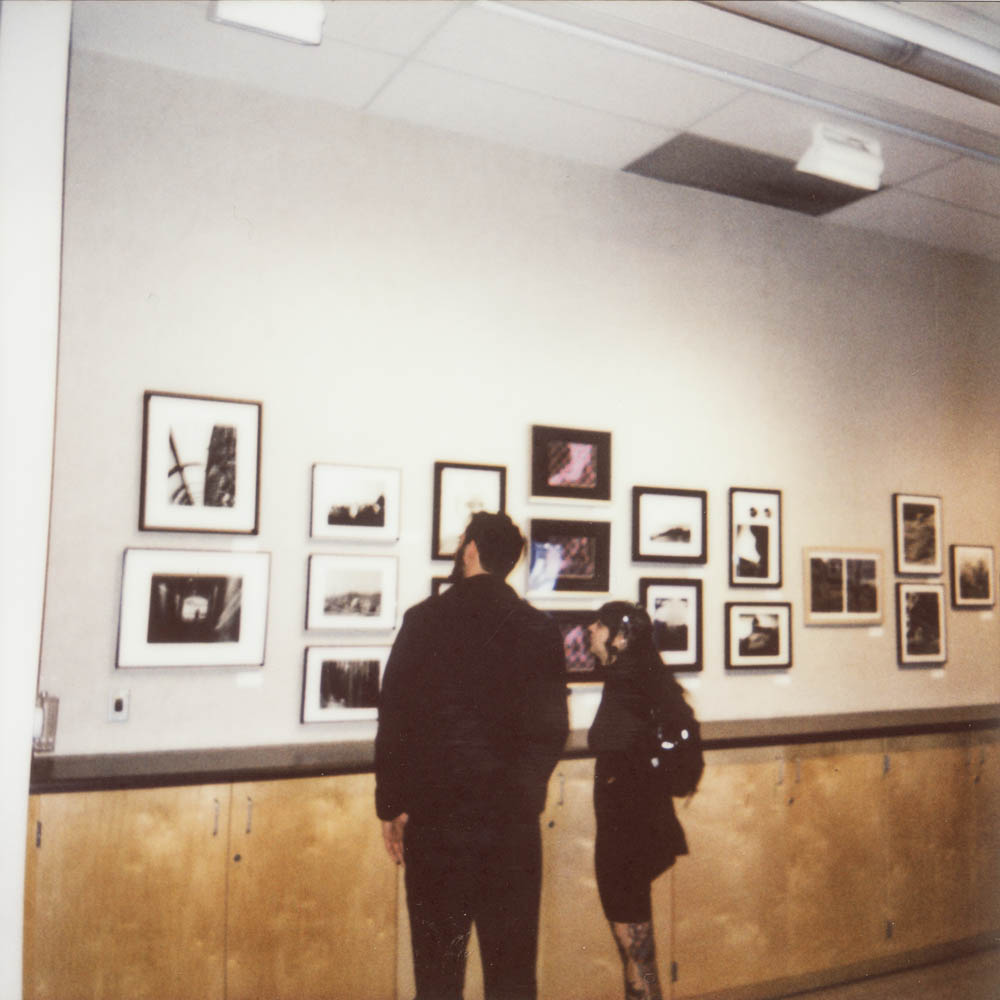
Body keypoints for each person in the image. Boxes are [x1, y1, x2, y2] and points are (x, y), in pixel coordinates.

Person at [374, 510, 569, 1000]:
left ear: (472, 550)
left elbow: (395, 720)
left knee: (438, 972)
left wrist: (392, 807)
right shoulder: (538, 628)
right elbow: (552, 730)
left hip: (438, 826)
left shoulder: (424, 621)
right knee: (512, 973)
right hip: (511, 828)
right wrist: (522, 796)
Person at [587, 601, 694, 1000]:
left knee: (633, 939)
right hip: (630, 822)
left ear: (621, 637)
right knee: (632, 937)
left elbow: (661, 736)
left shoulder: (631, 680)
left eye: (600, 624)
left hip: (628, 827)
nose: (591, 628)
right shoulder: (634, 676)